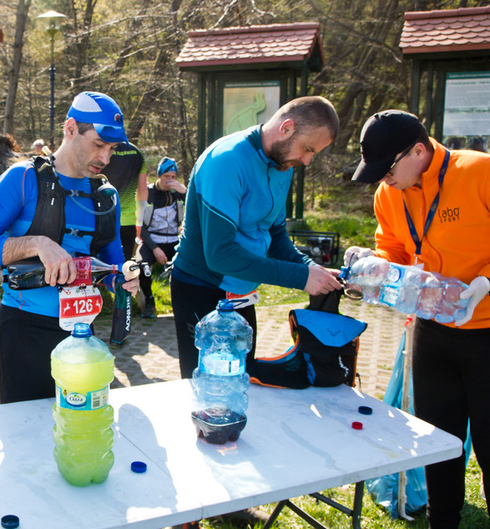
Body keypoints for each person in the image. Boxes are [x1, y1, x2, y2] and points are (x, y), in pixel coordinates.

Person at [347, 110, 490, 529]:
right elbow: (391, 246)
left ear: (419, 150)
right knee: (437, 441)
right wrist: (376, 264)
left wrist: (487, 282)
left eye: (387, 169)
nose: (382, 180)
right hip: (430, 332)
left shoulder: (480, 172)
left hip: (486, 333)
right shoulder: (388, 194)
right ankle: (440, 525)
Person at [0, 91, 139, 404]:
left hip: (83, 333)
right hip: (26, 330)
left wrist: (124, 277)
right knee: (27, 434)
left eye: (111, 149)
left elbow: (112, 260)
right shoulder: (22, 179)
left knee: (81, 427)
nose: (105, 158)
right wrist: (37, 243)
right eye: (98, 145)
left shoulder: (106, 194)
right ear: (70, 128)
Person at [171, 96, 343, 379]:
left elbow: (275, 235)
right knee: (207, 390)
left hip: (241, 293)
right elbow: (221, 254)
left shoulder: (282, 164)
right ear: (286, 128)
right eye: (307, 149)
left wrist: (308, 267)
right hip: (201, 287)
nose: (307, 160)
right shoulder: (226, 161)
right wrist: (299, 278)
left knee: (241, 378)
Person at [137, 156, 186, 319]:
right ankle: (149, 300)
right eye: (167, 177)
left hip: (173, 240)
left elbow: (198, 206)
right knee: (142, 266)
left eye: (173, 177)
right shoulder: (148, 193)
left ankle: (182, 303)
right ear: (159, 176)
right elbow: (139, 226)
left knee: (188, 267)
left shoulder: (178, 193)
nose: (170, 180)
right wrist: (154, 248)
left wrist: (185, 192)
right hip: (152, 241)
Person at [101, 142, 147, 260]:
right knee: (124, 266)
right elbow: (142, 190)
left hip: (104, 219)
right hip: (129, 221)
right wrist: (140, 222)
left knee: (102, 266)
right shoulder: (137, 152)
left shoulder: (102, 149)